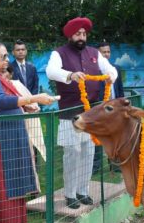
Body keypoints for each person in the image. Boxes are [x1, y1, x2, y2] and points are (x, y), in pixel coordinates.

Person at [0, 42, 57, 223]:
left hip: (8, 139)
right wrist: (34, 99)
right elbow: (0, 101)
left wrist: (24, 106)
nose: (7, 60)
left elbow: (7, 102)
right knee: (3, 187)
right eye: (2, 56)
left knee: (13, 185)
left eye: (6, 56)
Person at [46, 17, 117, 209]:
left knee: (88, 150)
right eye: (78, 33)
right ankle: (70, 194)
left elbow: (111, 70)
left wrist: (112, 75)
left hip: (92, 112)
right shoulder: (58, 53)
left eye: (84, 34)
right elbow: (51, 71)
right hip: (71, 112)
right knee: (73, 151)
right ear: (70, 35)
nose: (82, 37)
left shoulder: (94, 53)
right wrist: (69, 75)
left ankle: (82, 191)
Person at [92, 42, 125, 174]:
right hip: (100, 110)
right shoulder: (94, 71)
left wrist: (121, 106)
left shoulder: (115, 68)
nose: (106, 54)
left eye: (108, 52)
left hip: (115, 110)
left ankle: (116, 165)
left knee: (116, 137)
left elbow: (120, 90)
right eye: (103, 52)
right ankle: (96, 167)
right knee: (98, 137)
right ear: (98, 54)